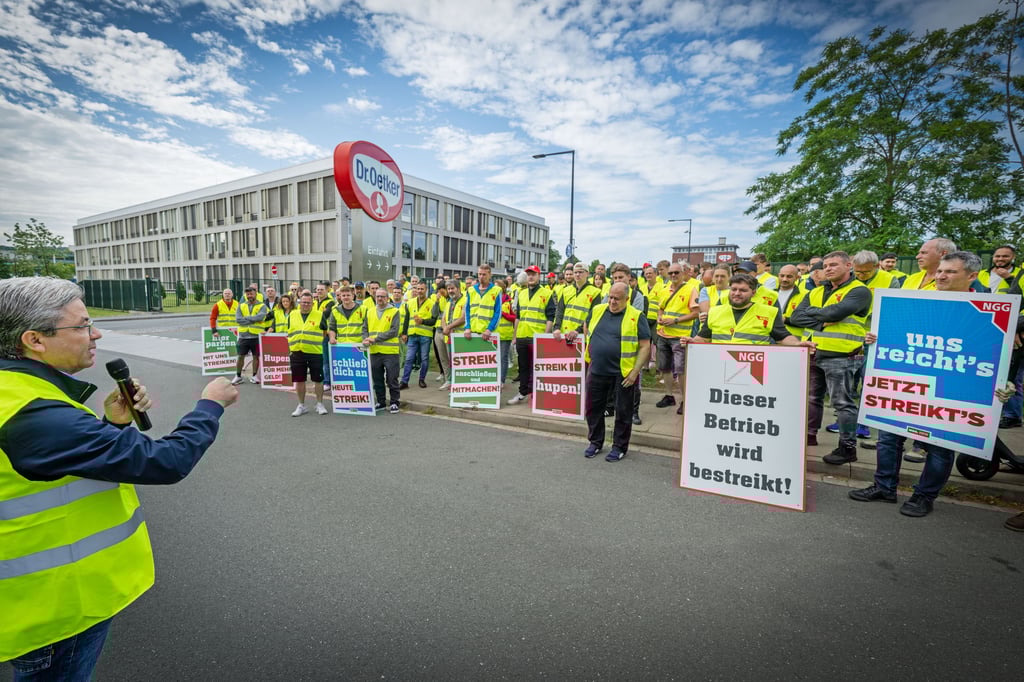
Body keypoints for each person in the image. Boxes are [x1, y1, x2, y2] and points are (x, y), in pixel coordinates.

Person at [0, 276, 237, 677]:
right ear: (34, 340)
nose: (96, 333)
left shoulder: (19, 393)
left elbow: (60, 462)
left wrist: (111, 423)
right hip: (54, 609)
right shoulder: (33, 412)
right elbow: (165, 461)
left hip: (44, 601)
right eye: (81, 326)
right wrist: (209, 405)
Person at [848, 252, 990, 518]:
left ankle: (924, 496)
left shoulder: (983, 310)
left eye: (950, 272)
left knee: (939, 446)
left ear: (972, 276)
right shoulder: (919, 301)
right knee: (888, 438)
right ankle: (884, 487)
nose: (941, 276)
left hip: (950, 389)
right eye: (940, 271)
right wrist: (878, 338)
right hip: (904, 386)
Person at [790, 250, 872, 463]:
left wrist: (818, 314)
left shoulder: (859, 291)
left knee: (842, 403)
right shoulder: (816, 291)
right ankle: (810, 435)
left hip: (842, 356)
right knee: (812, 398)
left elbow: (835, 313)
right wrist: (820, 321)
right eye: (825, 266)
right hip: (814, 351)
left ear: (848, 266)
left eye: (834, 264)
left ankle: (847, 448)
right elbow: (797, 317)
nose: (828, 268)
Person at [571, 283, 651, 462]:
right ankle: (595, 442)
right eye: (610, 297)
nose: (612, 302)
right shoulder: (598, 309)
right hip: (597, 368)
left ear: (627, 299)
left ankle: (619, 447)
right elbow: (587, 328)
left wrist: (635, 371)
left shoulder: (636, 316)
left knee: (623, 411)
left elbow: (645, 346)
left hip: (623, 373)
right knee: (593, 409)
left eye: (617, 299)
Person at [682, 273, 813, 348]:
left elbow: (783, 337)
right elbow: (703, 338)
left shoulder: (768, 312)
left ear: (753, 292)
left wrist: (798, 344)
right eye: (734, 289)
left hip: (754, 369)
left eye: (743, 290)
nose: (737, 293)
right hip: (720, 365)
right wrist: (691, 341)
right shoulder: (715, 312)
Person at [654, 262, 699, 415]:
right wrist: (660, 317)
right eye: (671, 273)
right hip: (663, 334)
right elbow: (661, 308)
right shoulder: (664, 290)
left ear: (683, 273)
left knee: (680, 370)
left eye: (676, 273)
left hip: (679, 336)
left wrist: (675, 321)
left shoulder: (690, 290)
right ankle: (669, 396)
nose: (673, 275)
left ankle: (685, 400)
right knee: (664, 367)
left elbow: (695, 313)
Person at [509, 265, 556, 405]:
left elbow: (550, 317)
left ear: (538, 276)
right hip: (523, 335)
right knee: (523, 367)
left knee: (538, 368)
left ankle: (537, 394)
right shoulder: (521, 293)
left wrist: (546, 337)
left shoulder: (546, 293)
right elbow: (518, 316)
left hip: (537, 336)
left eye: (533, 274)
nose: (530, 277)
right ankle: (522, 392)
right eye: (528, 274)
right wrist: (514, 336)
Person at [287, 292, 329, 416]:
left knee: (318, 379)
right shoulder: (292, 314)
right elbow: (289, 331)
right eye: (303, 302)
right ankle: (301, 405)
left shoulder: (319, 315)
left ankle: (319, 404)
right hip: (296, 351)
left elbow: (324, 332)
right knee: (299, 380)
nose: (306, 304)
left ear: (312, 303)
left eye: (308, 303)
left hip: (314, 352)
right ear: (299, 302)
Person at [364, 287, 402, 413]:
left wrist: (375, 339)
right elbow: (365, 328)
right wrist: (365, 339)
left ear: (387, 298)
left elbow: (394, 331)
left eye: (382, 296)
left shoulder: (394, 311)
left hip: (390, 352)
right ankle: (381, 401)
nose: (380, 299)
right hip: (374, 351)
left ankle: (394, 402)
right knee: (377, 378)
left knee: (392, 378)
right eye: (378, 296)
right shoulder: (369, 312)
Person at [400, 282, 436, 389]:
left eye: (422, 289)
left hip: (425, 335)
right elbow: (406, 319)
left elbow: (433, 320)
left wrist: (423, 321)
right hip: (412, 334)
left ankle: (422, 379)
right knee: (409, 358)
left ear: (426, 290)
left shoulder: (432, 303)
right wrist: (404, 333)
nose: (419, 291)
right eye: (418, 289)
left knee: (424, 358)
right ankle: (404, 381)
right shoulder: (410, 302)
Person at [232, 286, 269, 385]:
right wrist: (253, 319)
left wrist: (247, 318)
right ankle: (238, 376)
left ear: (255, 294)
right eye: (247, 294)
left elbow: (260, 317)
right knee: (240, 356)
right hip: (243, 336)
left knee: (256, 356)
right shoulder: (241, 305)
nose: (249, 296)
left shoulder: (262, 306)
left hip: (256, 336)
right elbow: (238, 319)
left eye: (251, 294)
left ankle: (254, 376)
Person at [437, 280, 466, 390]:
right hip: (450, 337)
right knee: (451, 361)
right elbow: (443, 318)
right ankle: (451, 382)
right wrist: (445, 327)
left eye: (452, 288)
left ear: (458, 288)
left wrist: (448, 327)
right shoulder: (449, 302)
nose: (450, 291)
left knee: (460, 362)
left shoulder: (465, 300)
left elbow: (463, 318)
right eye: (448, 289)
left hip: (461, 337)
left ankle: (460, 385)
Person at [463, 263, 501, 343]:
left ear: (490, 275)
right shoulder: (471, 290)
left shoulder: (497, 290)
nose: (481, 277)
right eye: (479, 274)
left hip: (488, 334)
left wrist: (489, 329)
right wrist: (467, 327)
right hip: (472, 333)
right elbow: (467, 310)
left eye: (484, 274)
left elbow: (498, 313)